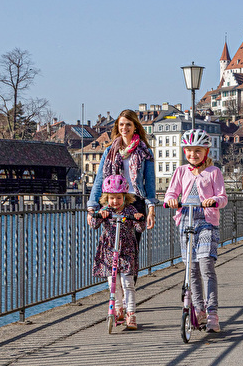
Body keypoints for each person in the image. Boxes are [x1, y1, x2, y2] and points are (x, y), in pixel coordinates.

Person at [164, 129, 228, 333]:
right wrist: (171, 200)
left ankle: (212, 313)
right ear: (185, 151)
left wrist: (213, 200)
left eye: (198, 151)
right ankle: (198, 309)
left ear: (206, 152)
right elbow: (171, 193)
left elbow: (222, 197)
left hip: (207, 221)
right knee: (191, 269)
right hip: (186, 220)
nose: (193, 155)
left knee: (206, 266)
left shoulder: (213, 172)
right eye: (190, 151)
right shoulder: (181, 171)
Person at [87, 109, 157, 237]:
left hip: (135, 201)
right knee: (111, 242)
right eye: (121, 124)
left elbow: (150, 182)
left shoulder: (144, 152)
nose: (124, 128)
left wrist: (151, 209)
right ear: (117, 127)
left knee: (132, 246)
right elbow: (100, 179)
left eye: (128, 124)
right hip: (113, 200)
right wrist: (92, 206)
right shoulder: (110, 151)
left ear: (135, 126)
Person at [89, 175, 146, 330]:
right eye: (112, 198)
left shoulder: (130, 209)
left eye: (118, 198)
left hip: (126, 250)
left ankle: (131, 313)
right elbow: (93, 224)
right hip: (109, 250)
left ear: (124, 197)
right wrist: (99, 215)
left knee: (127, 283)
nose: (115, 202)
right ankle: (118, 309)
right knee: (113, 284)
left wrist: (139, 218)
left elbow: (140, 228)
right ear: (107, 198)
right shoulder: (106, 209)